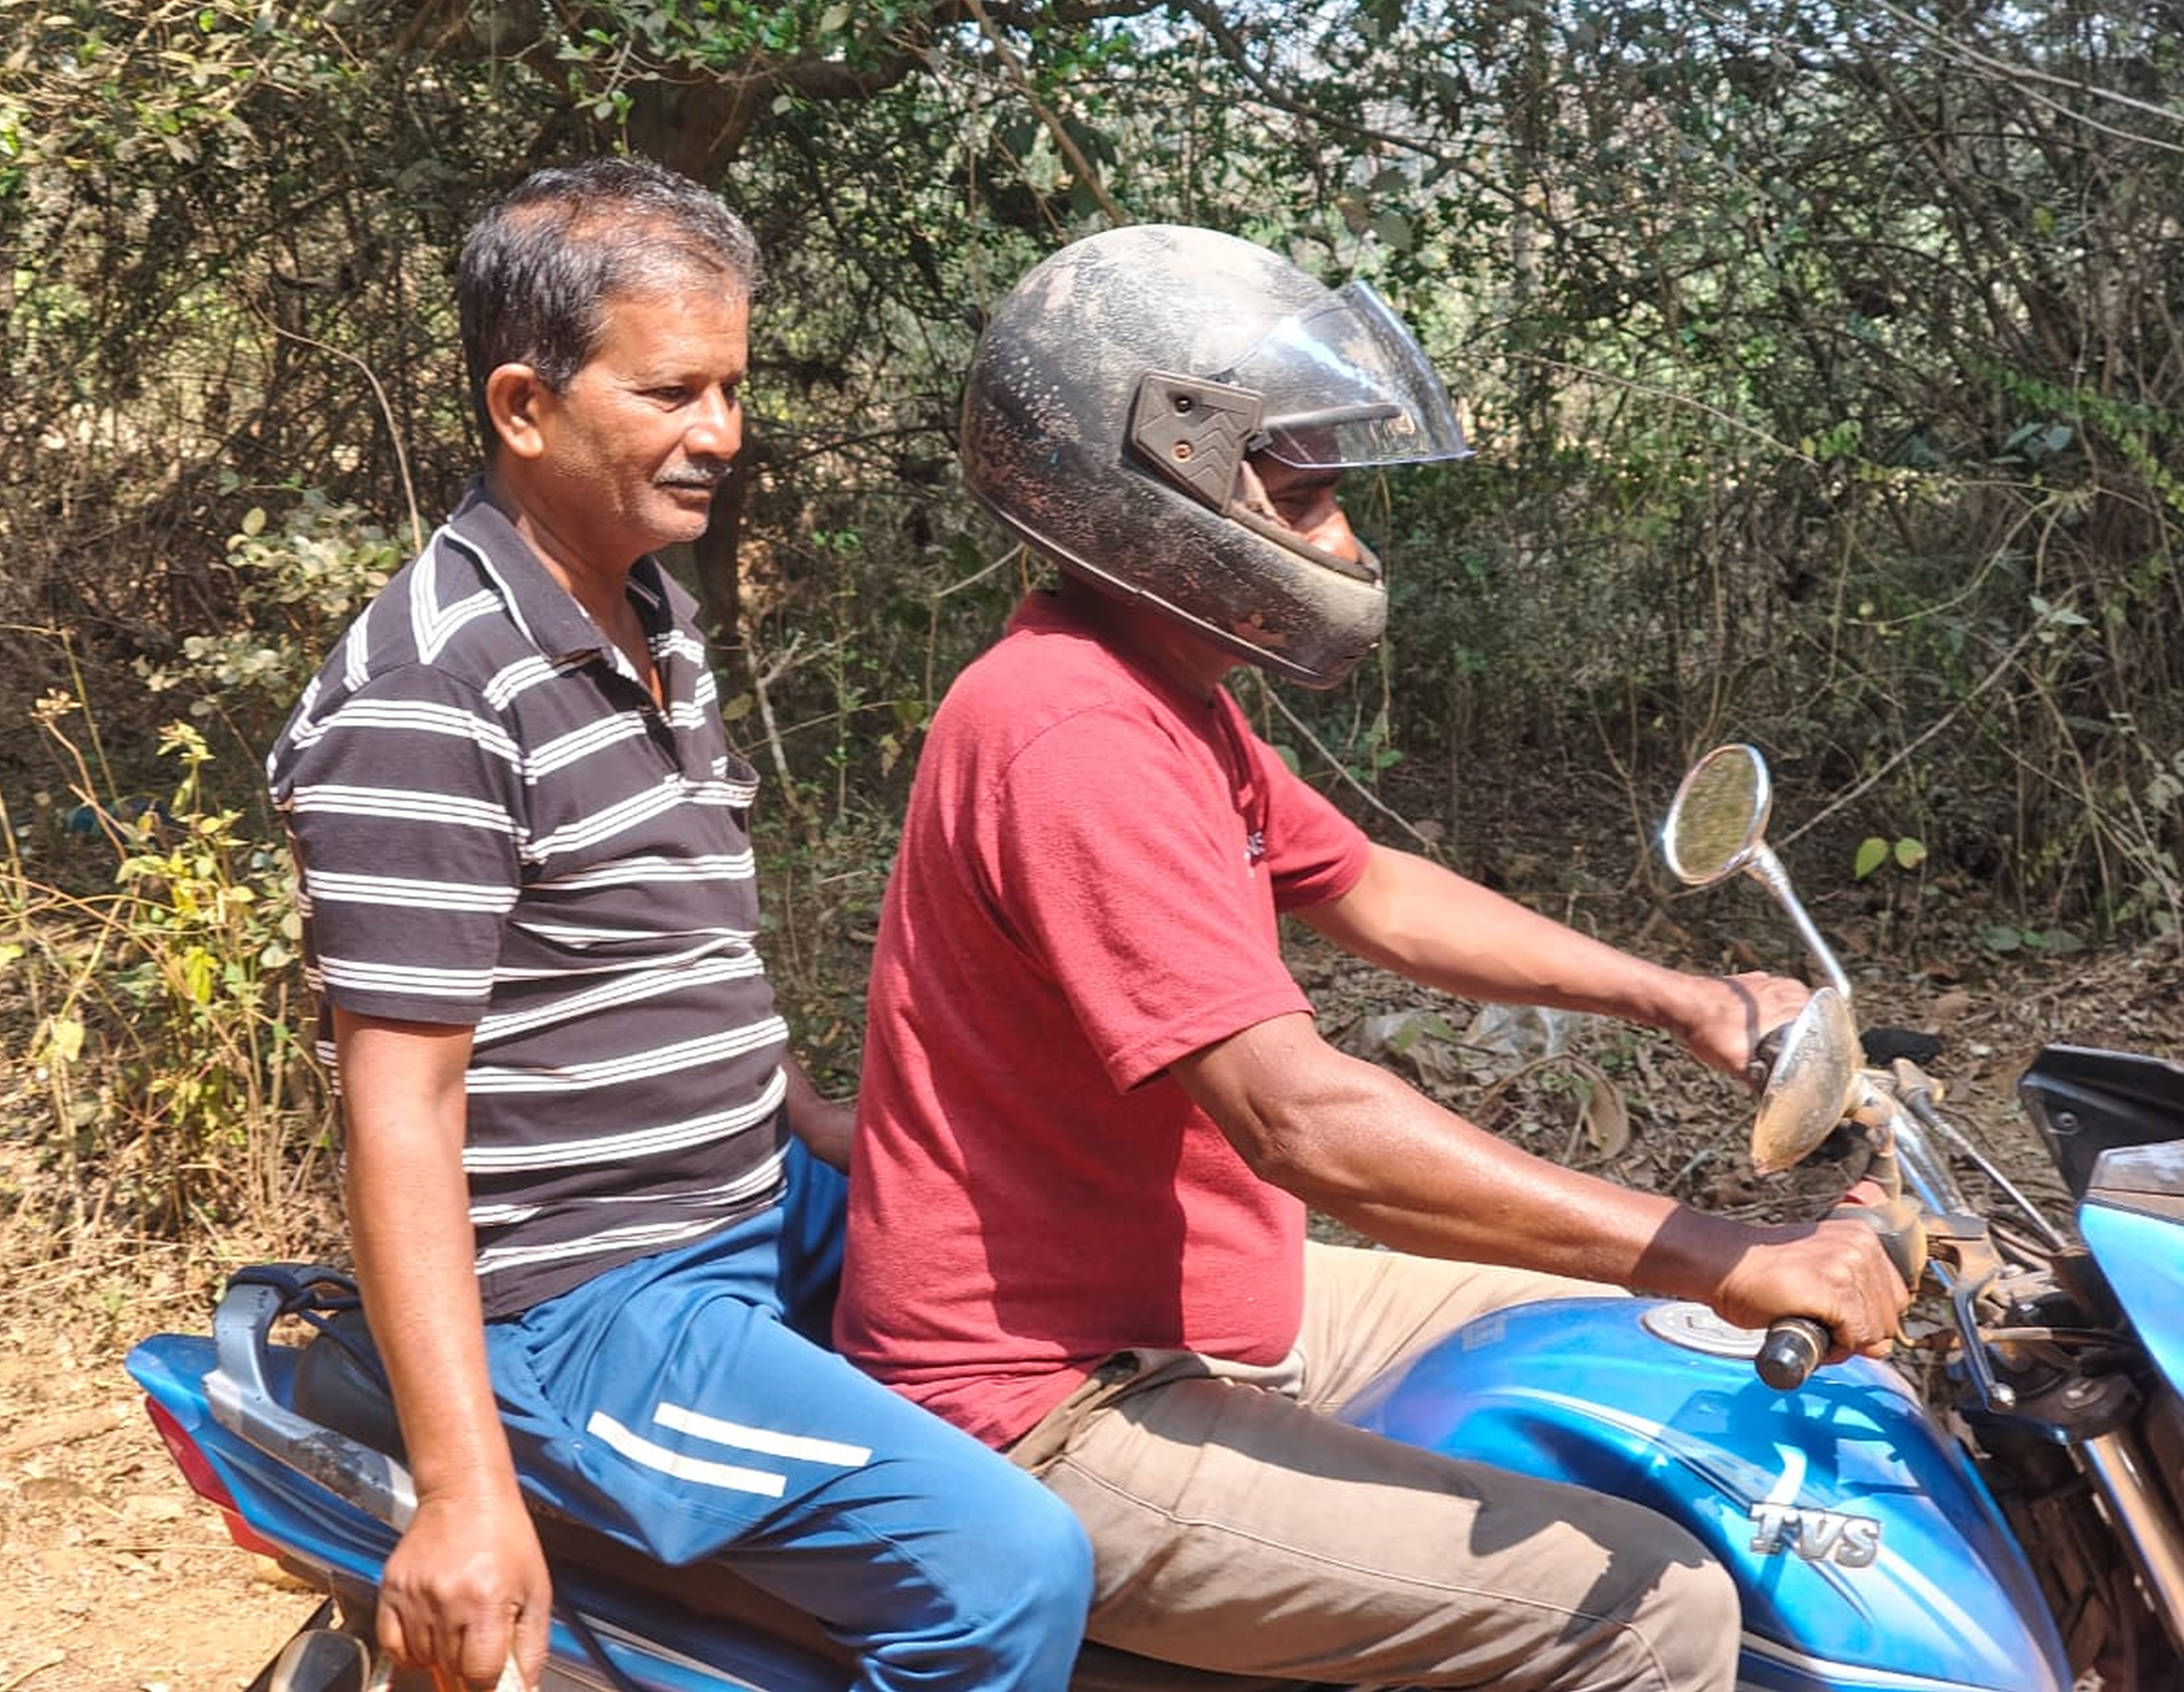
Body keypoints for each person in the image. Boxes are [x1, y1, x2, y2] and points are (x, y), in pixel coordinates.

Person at [835, 224, 1913, 1692]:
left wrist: (1679, 998)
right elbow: (1308, 1126)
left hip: (1219, 1302)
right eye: (1312, 498)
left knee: (1654, 1360)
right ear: (1158, 493)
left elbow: (1371, 888)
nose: (1349, 545)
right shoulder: (1072, 731)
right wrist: (1733, 1255)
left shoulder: (1163, 690)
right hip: (1059, 1401)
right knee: (1656, 1607)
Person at [266, 156, 1092, 1692]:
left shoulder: (642, 606)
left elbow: (661, 934)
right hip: (590, 1295)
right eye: (673, 392)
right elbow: (397, 1105)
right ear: (524, 407)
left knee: (1100, 1290)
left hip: (754, 1193)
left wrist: (809, 1114)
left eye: (732, 387)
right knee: (1006, 1573)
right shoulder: (429, 693)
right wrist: (466, 1493)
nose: (722, 433)